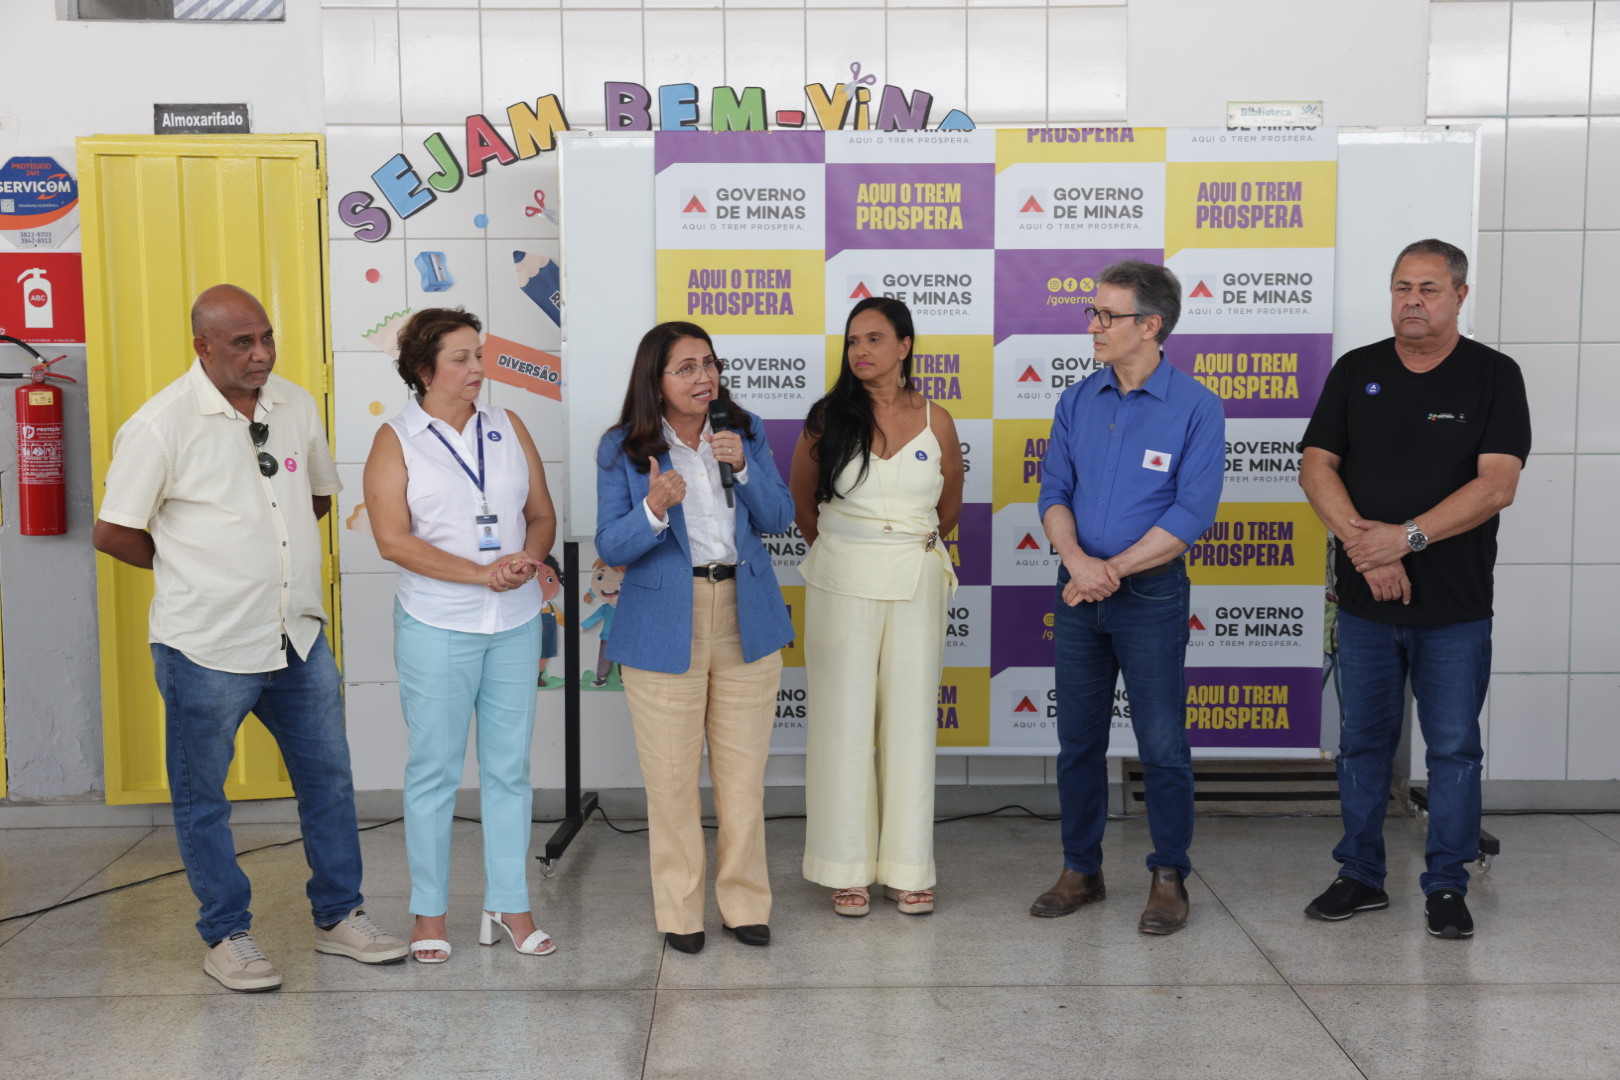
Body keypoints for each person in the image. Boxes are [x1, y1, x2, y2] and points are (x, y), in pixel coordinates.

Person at [93, 284, 407, 991]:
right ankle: (226, 934)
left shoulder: (294, 404)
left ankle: (339, 916)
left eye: (266, 337)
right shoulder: (161, 424)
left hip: (297, 637)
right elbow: (114, 531)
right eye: (243, 342)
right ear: (202, 347)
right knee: (203, 796)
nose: (261, 353)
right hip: (206, 645)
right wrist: (194, 569)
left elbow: (316, 496)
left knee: (328, 781)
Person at [1299, 239, 1529, 940]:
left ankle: (1447, 884)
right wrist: (1368, 553)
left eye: (1429, 289)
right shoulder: (1356, 370)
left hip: (1455, 607)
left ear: (1460, 295)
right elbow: (1316, 467)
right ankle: (1361, 874)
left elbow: (1497, 485)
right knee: (1363, 743)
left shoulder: (1493, 375)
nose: (1413, 301)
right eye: (1403, 287)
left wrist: (1407, 539)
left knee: (1453, 748)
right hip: (1366, 603)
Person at [1032, 260, 1224, 935]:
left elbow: (1191, 514)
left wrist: (1107, 570)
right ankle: (1080, 870)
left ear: (1151, 325)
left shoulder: (1196, 407)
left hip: (1151, 596)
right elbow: (1053, 493)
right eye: (1093, 312)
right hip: (1078, 593)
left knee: (1163, 744)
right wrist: (1078, 564)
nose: (1093, 325)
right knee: (1077, 741)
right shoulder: (1078, 400)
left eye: (1107, 315)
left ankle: (1169, 875)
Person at [362, 307, 559, 963]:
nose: (478, 368)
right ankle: (428, 913)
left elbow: (540, 515)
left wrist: (527, 560)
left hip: (515, 623)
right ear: (424, 369)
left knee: (509, 772)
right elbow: (393, 540)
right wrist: (481, 574)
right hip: (436, 625)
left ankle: (510, 904)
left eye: (480, 354)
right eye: (462, 357)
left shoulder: (509, 425)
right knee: (434, 773)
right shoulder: (396, 439)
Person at [595, 321, 795, 954]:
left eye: (708, 363)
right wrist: (653, 508)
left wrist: (745, 468)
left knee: (742, 778)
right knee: (672, 780)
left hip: (745, 611)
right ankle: (681, 911)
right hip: (663, 619)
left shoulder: (744, 430)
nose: (703, 377)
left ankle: (745, 904)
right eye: (686, 367)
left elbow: (781, 517)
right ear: (655, 380)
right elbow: (610, 545)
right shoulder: (623, 447)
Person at [791, 297, 963, 917]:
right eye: (852, 341)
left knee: (911, 722)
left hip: (917, 580)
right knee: (842, 722)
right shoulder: (826, 418)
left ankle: (909, 868)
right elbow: (803, 504)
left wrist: (898, 549)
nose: (860, 351)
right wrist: (850, 551)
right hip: (842, 580)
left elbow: (948, 511)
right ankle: (846, 868)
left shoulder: (938, 420)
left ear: (904, 346)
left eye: (873, 339)